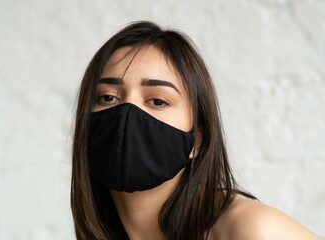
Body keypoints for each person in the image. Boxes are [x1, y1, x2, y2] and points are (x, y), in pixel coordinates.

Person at [71, 21, 320, 240]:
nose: (127, 112)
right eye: (107, 98)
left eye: (158, 101)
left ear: (197, 141)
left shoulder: (249, 229)